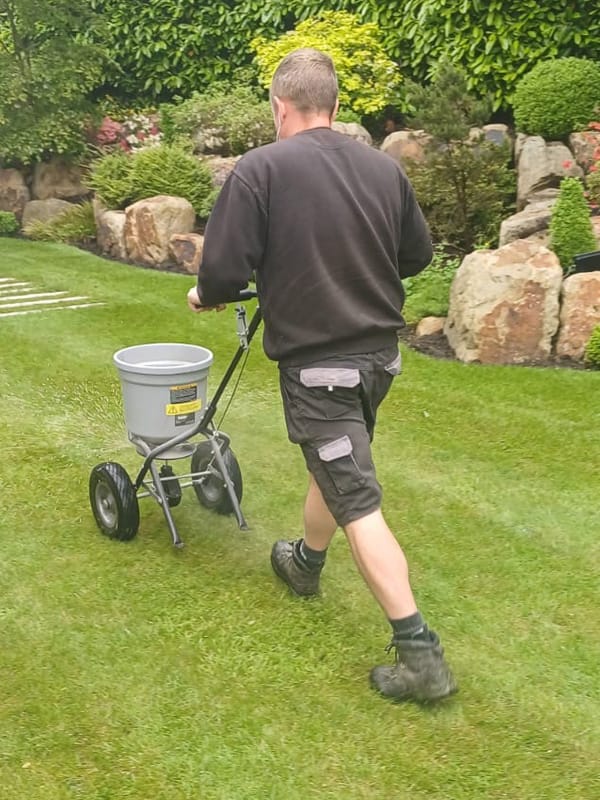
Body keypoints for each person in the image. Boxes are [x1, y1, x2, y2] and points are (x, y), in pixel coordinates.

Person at [187, 48, 457, 703]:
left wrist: (207, 295)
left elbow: (222, 271)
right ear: (335, 106)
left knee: (358, 502)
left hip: (321, 368)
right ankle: (305, 563)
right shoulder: (382, 170)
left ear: (280, 107)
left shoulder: (260, 170)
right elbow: (415, 255)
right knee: (331, 465)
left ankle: (421, 656)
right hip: (378, 361)